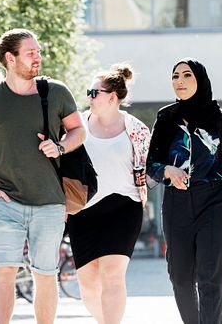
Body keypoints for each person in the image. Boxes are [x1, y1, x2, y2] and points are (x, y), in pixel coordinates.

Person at [0, 29, 85, 324]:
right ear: (10, 58)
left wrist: (60, 146)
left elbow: (79, 131)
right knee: (4, 270)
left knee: (45, 274)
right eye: (31, 53)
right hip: (5, 202)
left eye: (38, 52)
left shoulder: (55, 92)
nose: (38, 58)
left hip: (50, 202)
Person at [146, 58, 222, 324]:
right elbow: (150, 164)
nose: (179, 81)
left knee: (210, 277)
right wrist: (168, 171)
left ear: (200, 80)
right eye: (175, 76)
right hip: (176, 203)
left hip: (214, 202)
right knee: (180, 278)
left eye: (186, 75)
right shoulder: (166, 117)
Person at [66, 63, 151, 324]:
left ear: (112, 97)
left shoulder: (137, 130)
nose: (89, 97)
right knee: (87, 283)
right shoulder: (76, 125)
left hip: (124, 207)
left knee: (113, 273)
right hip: (83, 210)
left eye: (94, 92)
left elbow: (149, 166)